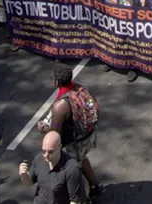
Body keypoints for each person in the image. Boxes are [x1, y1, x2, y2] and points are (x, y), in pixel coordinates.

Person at [37, 63, 101, 199]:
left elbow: (55, 134)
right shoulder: (80, 88)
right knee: (82, 159)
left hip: (75, 143)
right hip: (88, 136)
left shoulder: (60, 105)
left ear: (56, 82)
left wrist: (43, 128)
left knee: (74, 176)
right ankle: (95, 185)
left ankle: (83, 201)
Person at [19, 130, 84, 203]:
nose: (46, 155)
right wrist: (24, 175)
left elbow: (74, 201)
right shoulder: (39, 159)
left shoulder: (72, 168)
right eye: (44, 151)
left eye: (51, 152)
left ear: (60, 147)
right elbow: (29, 182)